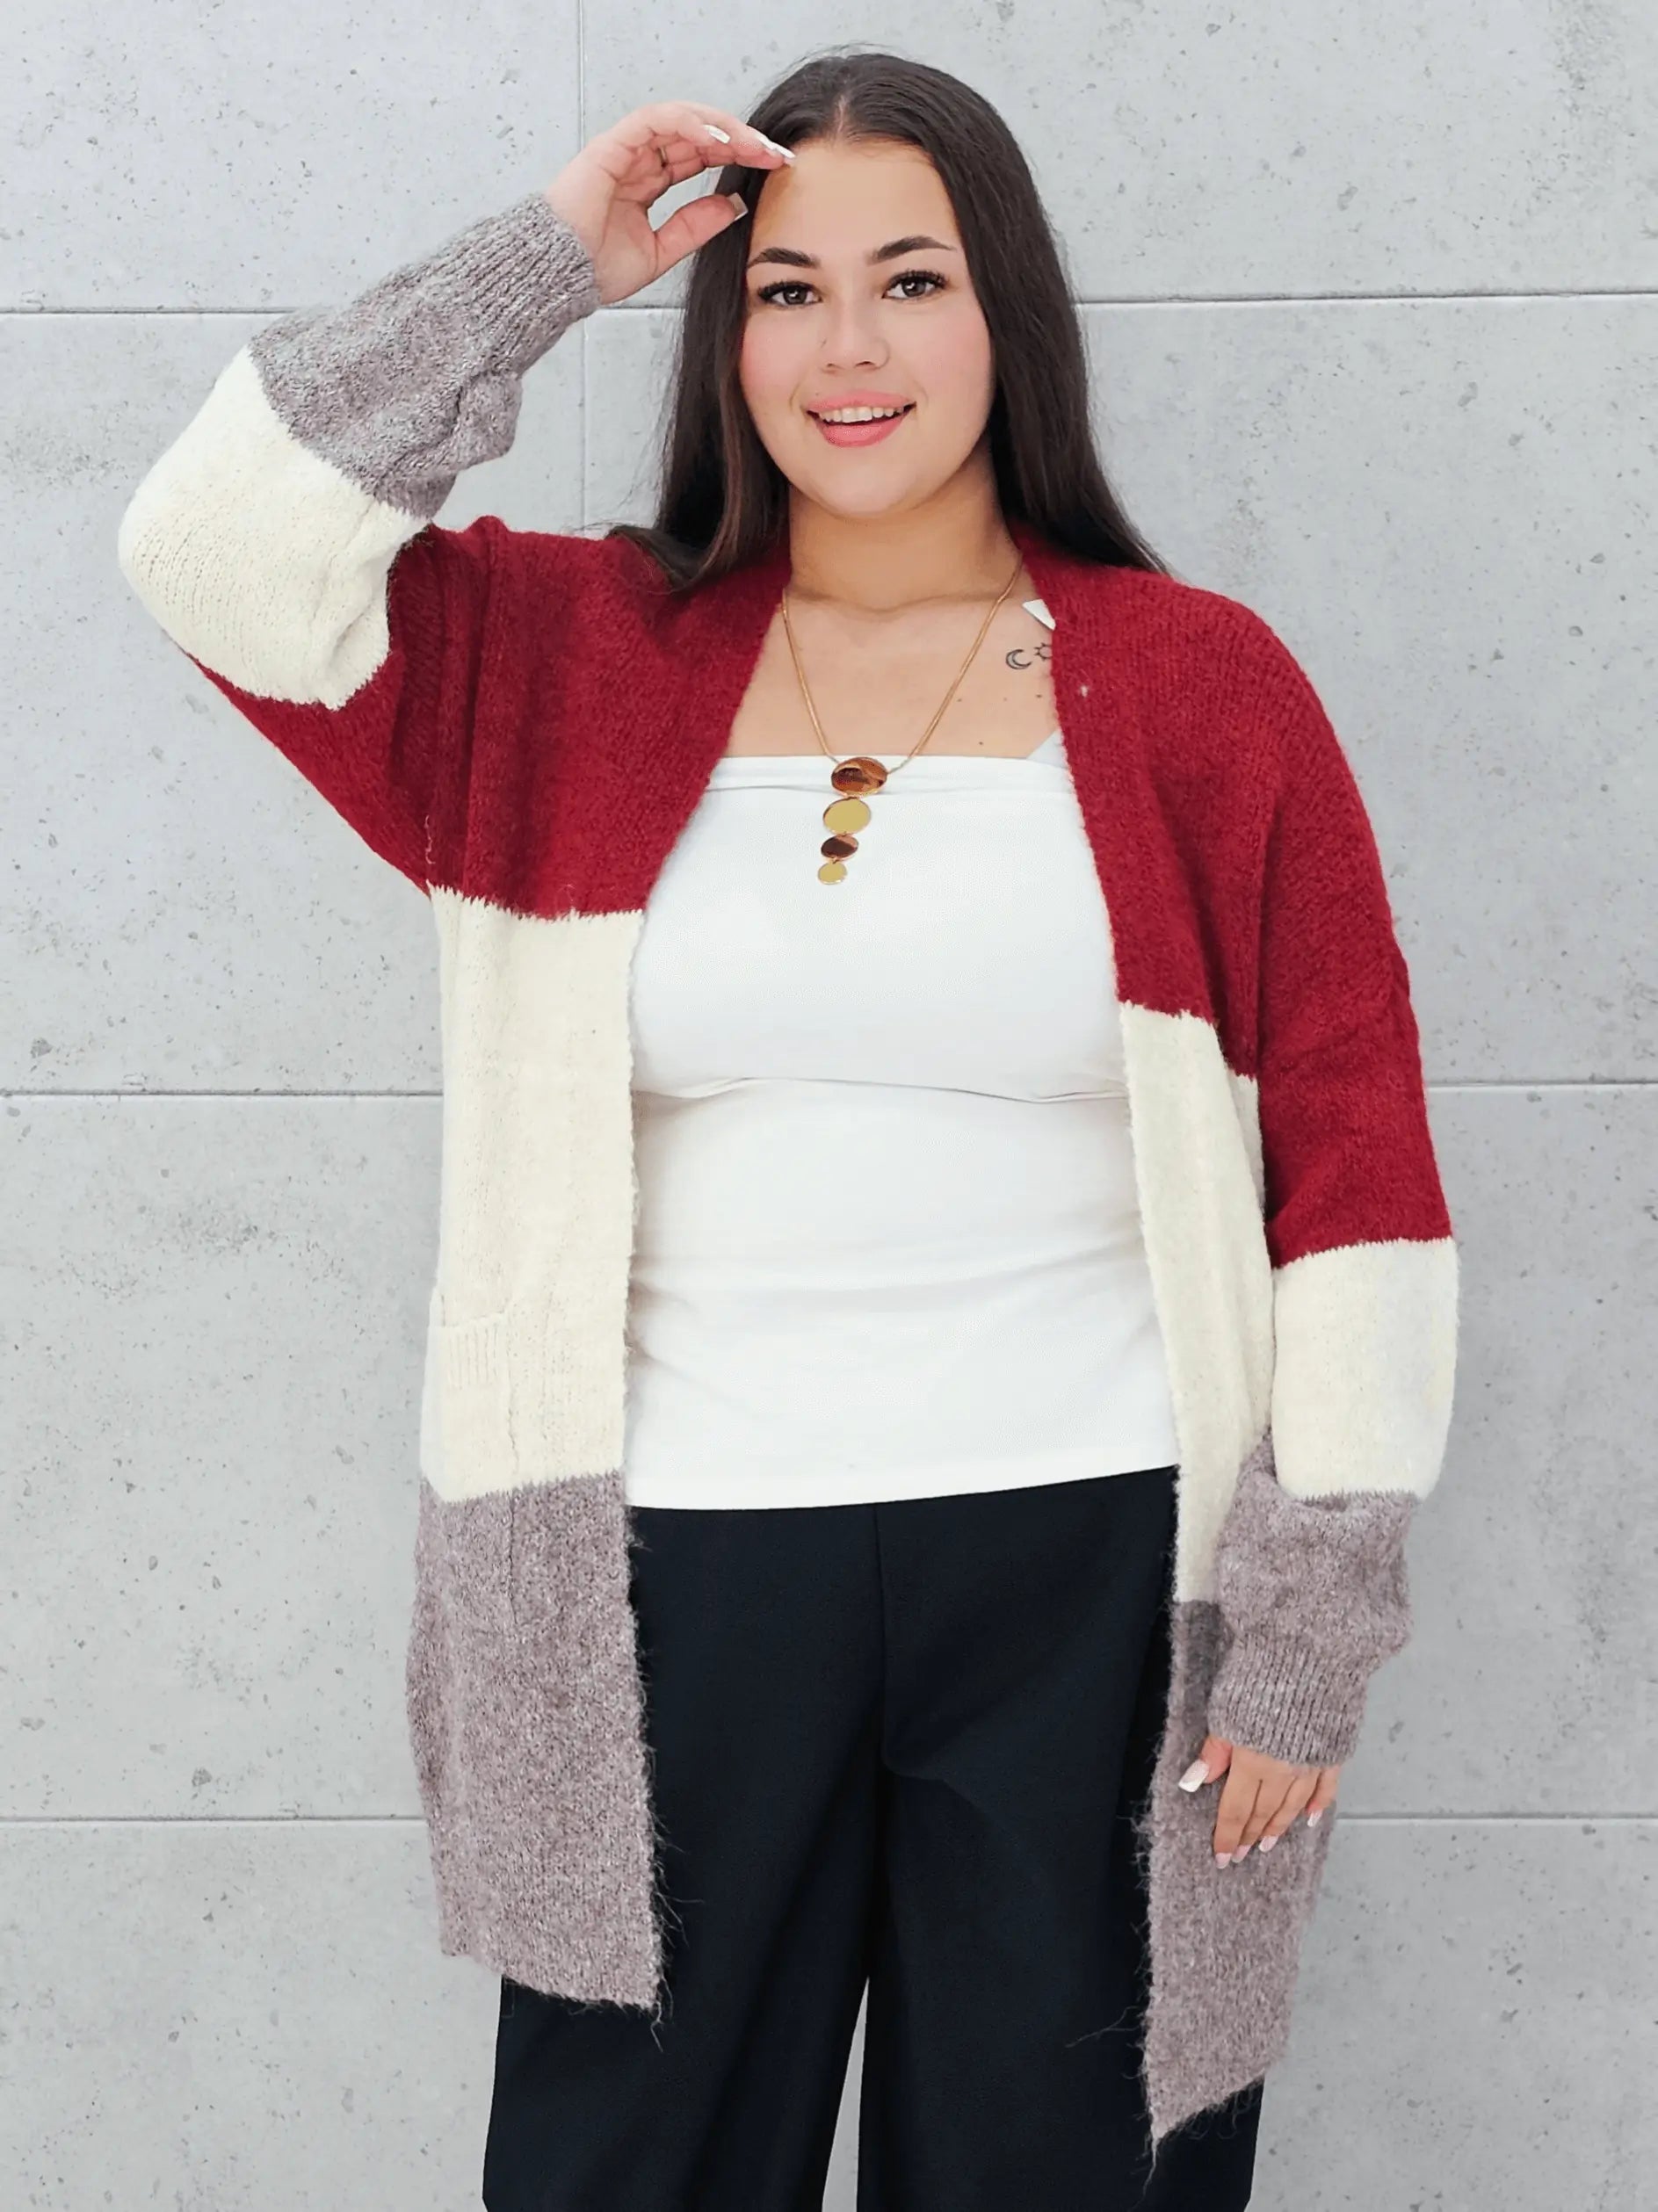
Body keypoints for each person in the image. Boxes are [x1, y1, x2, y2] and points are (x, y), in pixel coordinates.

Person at [115, 50, 1459, 2212]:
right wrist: (542, 262)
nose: (848, 347)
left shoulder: (1195, 686)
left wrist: (1307, 1626)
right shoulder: (559, 656)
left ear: (1003, 314)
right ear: (719, 334)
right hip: (666, 1579)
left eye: (909, 280)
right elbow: (207, 545)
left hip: (1095, 1568)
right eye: (785, 288)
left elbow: (1359, 1182)